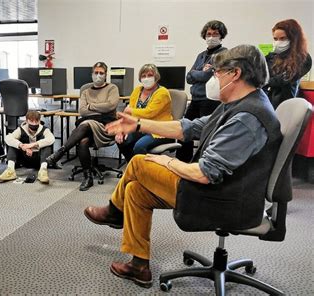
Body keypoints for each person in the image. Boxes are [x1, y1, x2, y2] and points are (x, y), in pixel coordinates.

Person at [84, 45, 282, 288]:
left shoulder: (247, 118)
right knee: (135, 190)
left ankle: (115, 211)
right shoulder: (237, 104)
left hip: (228, 201)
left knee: (138, 163)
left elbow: (204, 173)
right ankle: (139, 265)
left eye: (218, 73)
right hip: (222, 191)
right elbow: (189, 127)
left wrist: (168, 161)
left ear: (236, 74)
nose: (214, 78)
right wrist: (138, 125)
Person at [46, 61, 119, 191]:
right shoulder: (86, 91)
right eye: (96, 73)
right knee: (83, 141)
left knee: (85, 123)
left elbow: (111, 106)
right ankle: (88, 177)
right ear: (92, 74)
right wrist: (100, 107)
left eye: (101, 73)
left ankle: (60, 152)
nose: (98, 75)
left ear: (106, 75)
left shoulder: (112, 88)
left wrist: (91, 106)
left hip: (106, 126)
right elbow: (82, 111)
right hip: (89, 125)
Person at [177, 20, 228, 162]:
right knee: (184, 131)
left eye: (215, 34)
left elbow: (207, 75)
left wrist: (197, 73)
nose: (211, 37)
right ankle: (182, 162)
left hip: (210, 101)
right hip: (196, 99)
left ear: (221, 36)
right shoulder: (201, 55)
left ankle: (202, 164)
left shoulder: (224, 54)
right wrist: (199, 73)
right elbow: (188, 77)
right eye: (208, 34)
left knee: (207, 134)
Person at [116, 64, 173, 162]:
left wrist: (129, 110)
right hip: (141, 128)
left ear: (156, 77)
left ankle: (143, 172)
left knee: (139, 146)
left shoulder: (163, 92)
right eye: (143, 76)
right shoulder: (137, 90)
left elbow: (149, 113)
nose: (146, 78)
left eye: (150, 75)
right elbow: (129, 115)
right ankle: (133, 167)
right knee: (121, 140)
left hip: (159, 131)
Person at [263, 19, 312, 109]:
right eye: (275, 39)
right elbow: (260, 73)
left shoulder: (304, 59)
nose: (278, 42)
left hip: (289, 105)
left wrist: (264, 80)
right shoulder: (272, 57)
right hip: (268, 104)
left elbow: (283, 79)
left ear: (294, 39)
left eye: (282, 38)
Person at [0, 111, 55, 184]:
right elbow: (8, 138)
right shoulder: (21, 129)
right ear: (26, 121)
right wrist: (21, 145)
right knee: (13, 144)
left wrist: (33, 144)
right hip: (25, 158)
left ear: (39, 121)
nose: (34, 124)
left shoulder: (44, 129)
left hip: (39, 159)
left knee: (47, 145)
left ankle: (43, 171)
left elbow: (51, 139)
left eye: (36, 121)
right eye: (31, 121)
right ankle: (10, 170)